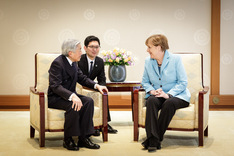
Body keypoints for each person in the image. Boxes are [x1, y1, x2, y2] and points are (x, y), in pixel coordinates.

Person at [48, 39, 108, 151]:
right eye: (80, 50)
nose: (81, 52)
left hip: (69, 96)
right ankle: (68, 139)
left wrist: (97, 86)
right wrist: (72, 96)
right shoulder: (58, 63)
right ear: (70, 53)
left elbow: (82, 78)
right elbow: (55, 86)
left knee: (88, 101)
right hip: (56, 97)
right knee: (73, 105)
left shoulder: (73, 63)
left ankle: (84, 138)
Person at [141, 34, 191, 152]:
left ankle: (153, 140)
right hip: (158, 94)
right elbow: (144, 81)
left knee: (169, 103)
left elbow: (183, 82)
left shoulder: (175, 59)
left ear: (159, 47)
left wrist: (168, 94)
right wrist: (152, 91)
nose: (147, 50)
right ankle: (154, 139)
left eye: (149, 47)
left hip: (177, 95)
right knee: (151, 100)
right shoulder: (148, 61)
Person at [78, 35, 118, 135]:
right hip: (80, 87)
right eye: (91, 47)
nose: (94, 49)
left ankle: (104, 123)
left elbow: (102, 78)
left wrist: (102, 87)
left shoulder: (99, 61)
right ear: (85, 48)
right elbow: (80, 78)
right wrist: (95, 86)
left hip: (92, 87)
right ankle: (93, 125)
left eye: (97, 47)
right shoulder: (79, 60)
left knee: (103, 93)